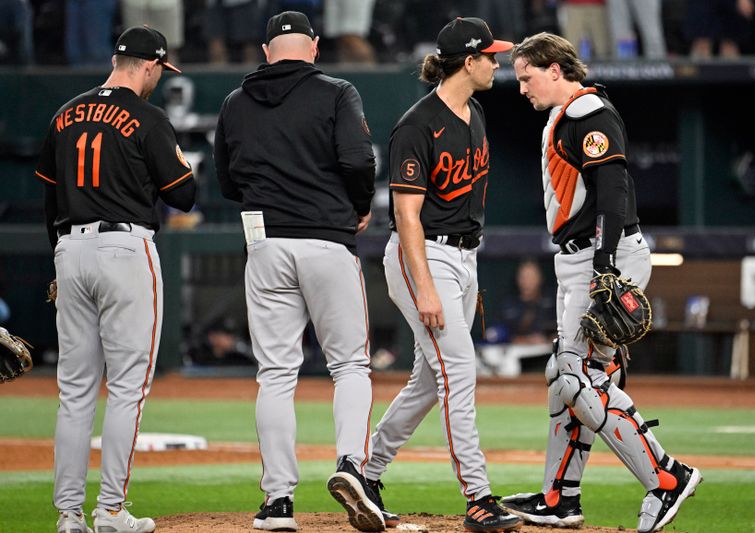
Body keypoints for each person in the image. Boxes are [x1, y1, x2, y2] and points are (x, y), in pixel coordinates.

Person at [503, 32, 702, 533]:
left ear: (554, 68)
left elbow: (615, 191)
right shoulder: (564, 115)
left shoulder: (588, 113)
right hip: (580, 260)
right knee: (563, 379)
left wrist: (607, 269)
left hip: (601, 259)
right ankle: (560, 498)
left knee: (579, 379)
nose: (521, 87)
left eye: (527, 76)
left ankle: (667, 477)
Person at [213, 11, 382, 532]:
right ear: (312, 47)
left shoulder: (235, 102)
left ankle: (277, 502)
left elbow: (225, 181)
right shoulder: (336, 91)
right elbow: (358, 161)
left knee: (276, 373)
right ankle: (352, 464)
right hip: (327, 238)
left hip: (265, 241)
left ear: (267, 51)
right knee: (349, 365)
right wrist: (357, 205)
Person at [362, 17, 522, 533]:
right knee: (460, 371)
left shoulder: (473, 112)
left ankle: (365, 473)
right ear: (468, 61)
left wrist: (464, 275)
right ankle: (478, 497)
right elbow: (406, 215)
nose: (497, 63)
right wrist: (428, 285)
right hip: (422, 256)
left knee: (430, 381)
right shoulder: (416, 124)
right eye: (490, 55)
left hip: (463, 257)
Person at [35, 26, 195, 533]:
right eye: (159, 71)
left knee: (74, 391)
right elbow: (183, 196)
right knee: (127, 389)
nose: (158, 79)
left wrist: (58, 261)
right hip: (125, 249)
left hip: (69, 248)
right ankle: (109, 511)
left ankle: (67, 516)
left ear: (115, 59)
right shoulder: (148, 117)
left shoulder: (65, 113)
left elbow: (48, 199)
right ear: (149, 66)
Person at [498, 259, 556, 345]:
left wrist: (550, 339)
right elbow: (500, 335)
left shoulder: (551, 302)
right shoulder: (509, 305)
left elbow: (561, 331)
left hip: (548, 350)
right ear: (517, 279)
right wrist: (528, 340)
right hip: (517, 352)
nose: (527, 282)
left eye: (531, 277)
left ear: (540, 278)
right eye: (523, 277)